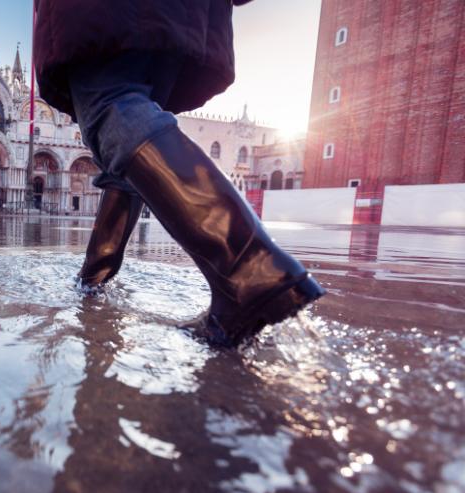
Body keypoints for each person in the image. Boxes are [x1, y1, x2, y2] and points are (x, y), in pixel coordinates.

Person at [34, 0, 324, 346]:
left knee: (109, 106)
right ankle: (94, 276)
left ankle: (250, 270)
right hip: (179, 14)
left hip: (106, 12)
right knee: (122, 135)